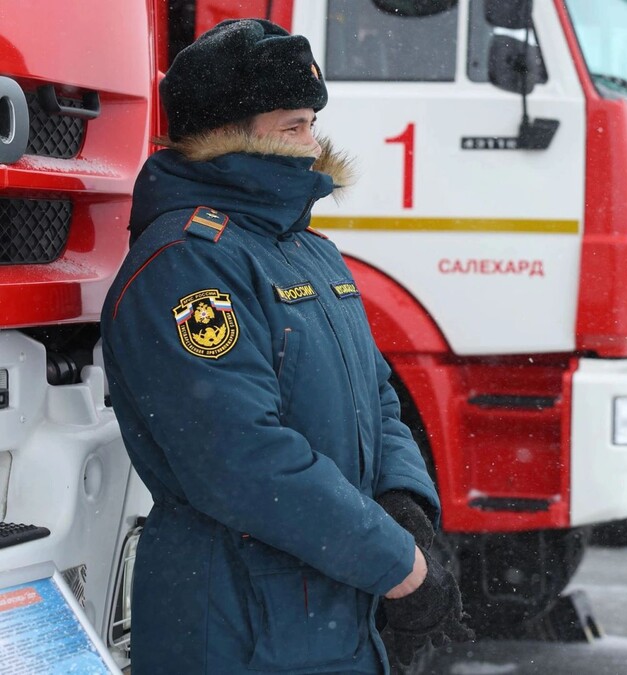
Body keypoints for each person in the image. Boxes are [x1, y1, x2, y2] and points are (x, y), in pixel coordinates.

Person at [100, 20, 469, 673]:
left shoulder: (310, 253)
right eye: (293, 126)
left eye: (312, 125)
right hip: (235, 626)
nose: (312, 146)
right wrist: (398, 566)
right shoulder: (187, 263)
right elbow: (241, 458)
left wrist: (404, 506)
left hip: (330, 613)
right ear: (228, 135)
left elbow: (378, 399)